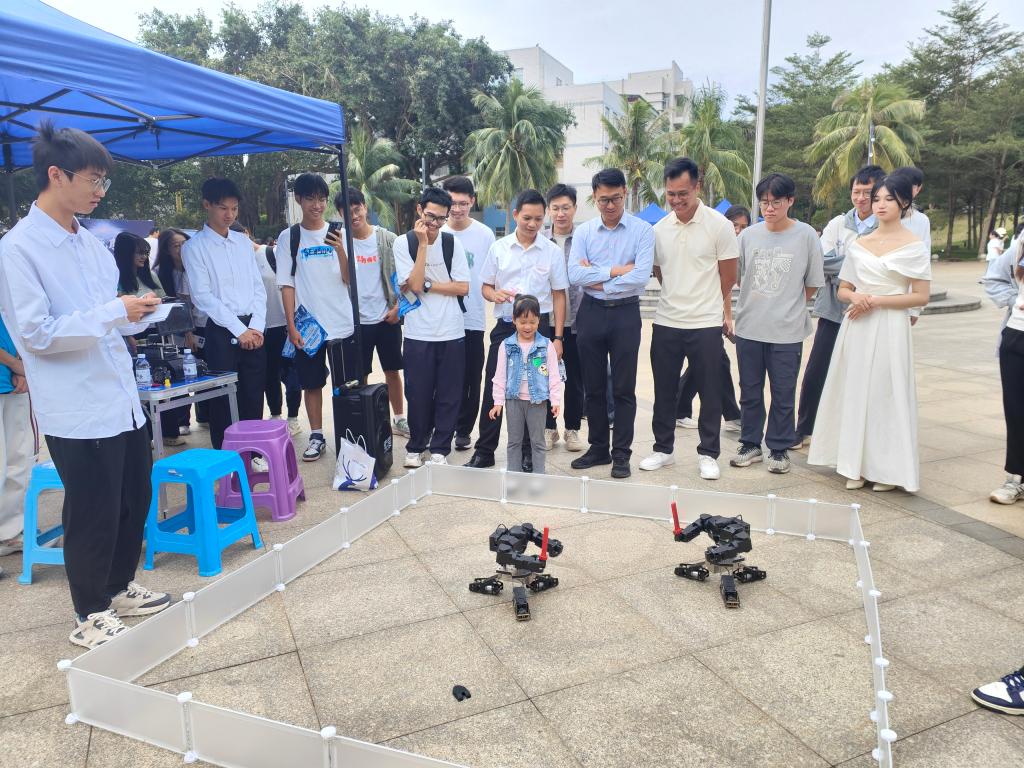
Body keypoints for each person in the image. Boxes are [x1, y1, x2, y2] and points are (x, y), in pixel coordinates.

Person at [0, 122, 169, 647]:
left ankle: (118, 586)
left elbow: (108, 316)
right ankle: (89, 612)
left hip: (119, 395)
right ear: (57, 174)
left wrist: (137, 314)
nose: (100, 191)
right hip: (76, 403)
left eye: (103, 182)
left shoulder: (90, 244)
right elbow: (37, 334)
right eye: (94, 180)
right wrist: (114, 312)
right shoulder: (19, 248)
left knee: (133, 496)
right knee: (93, 508)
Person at [808, 174, 931, 491]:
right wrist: (856, 297)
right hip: (858, 325)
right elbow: (843, 289)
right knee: (855, 390)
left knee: (885, 393)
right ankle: (854, 464)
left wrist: (875, 301)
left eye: (888, 199)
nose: (880, 205)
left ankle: (887, 469)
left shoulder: (914, 246)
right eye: (877, 199)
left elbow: (920, 296)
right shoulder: (860, 244)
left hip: (890, 325)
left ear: (904, 202)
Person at [640, 158, 738, 481]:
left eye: (683, 193)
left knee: (710, 391)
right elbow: (659, 272)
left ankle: (708, 453)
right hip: (667, 320)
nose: (677, 200)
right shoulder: (659, 230)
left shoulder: (719, 225)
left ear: (698, 186)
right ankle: (663, 449)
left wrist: (708, 303)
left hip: (705, 322)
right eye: (671, 194)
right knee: (664, 389)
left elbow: (729, 277)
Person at [465, 189, 567, 472]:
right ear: (515, 215)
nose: (532, 224)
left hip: (539, 327)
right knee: (495, 385)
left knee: (534, 389)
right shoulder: (499, 248)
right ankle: (484, 450)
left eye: (538, 219)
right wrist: (494, 294)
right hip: (506, 327)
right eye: (526, 218)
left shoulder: (551, 252)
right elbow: (486, 286)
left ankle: (527, 453)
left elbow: (559, 295)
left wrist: (558, 338)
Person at [731, 173, 825, 475]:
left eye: (776, 202)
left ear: (790, 201)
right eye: (764, 203)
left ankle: (779, 447)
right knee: (750, 390)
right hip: (750, 326)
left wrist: (787, 303)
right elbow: (739, 277)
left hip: (787, 329)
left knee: (783, 391)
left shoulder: (806, 235)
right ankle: (750, 443)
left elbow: (812, 283)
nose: (769, 208)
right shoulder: (747, 236)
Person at [567, 169, 655, 479]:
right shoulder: (584, 232)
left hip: (625, 315)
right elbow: (575, 275)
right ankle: (598, 448)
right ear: (594, 197)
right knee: (592, 386)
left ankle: (621, 454)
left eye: (616, 198)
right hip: (590, 312)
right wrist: (616, 271)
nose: (610, 205)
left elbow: (640, 277)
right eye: (603, 199)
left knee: (623, 388)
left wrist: (598, 277)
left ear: (625, 193)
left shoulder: (642, 231)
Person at [795, 165, 886, 446]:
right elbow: (821, 261)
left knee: (861, 374)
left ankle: (852, 434)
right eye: (856, 191)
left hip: (868, 310)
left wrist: (845, 268)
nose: (861, 198)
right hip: (833, 308)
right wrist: (859, 266)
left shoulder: (886, 225)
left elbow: (883, 268)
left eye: (868, 192)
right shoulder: (838, 223)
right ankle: (804, 428)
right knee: (817, 370)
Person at [274, 173, 356, 462]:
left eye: (322, 199)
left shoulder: (340, 234)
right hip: (309, 327)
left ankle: (350, 433)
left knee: (346, 385)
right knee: (311, 384)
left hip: (342, 323)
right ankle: (317, 436)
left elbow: (348, 279)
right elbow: (287, 284)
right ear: (298, 199)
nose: (317, 205)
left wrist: (340, 250)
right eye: (310, 198)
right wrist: (290, 326)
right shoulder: (289, 237)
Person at [183, 177, 267, 451]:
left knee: (253, 393)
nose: (229, 215)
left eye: (234, 208)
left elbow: (258, 287)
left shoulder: (242, 242)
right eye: (223, 208)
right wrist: (239, 330)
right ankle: (225, 455)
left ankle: (253, 452)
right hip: (221, 329)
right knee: (222, 397)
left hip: (252, 326)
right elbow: (203, 296)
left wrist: (256, 327)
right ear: (207, 205)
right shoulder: (194, 247)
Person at [394, 187, 470, 467]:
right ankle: (416, 446)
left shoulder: (452, 244)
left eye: (440, 218)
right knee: (418, 394)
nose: (434, 223)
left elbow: (462, 287)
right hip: (418, 332)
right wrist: (423, 244)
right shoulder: (403, 243)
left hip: (451, 330)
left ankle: (440, 449)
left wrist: (428, 283)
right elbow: (413, 285)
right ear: (419, 210)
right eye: (430, 216)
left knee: (449, 395)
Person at [333, 187, 409, 438]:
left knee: (392, 371)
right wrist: (341, 250)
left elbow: (404, 278)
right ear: (340, 215)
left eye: (357, 210)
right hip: (357, 322)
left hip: (386, 318)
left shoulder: (387, 238)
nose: (354, 216)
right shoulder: (340, 240)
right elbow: (346, 279)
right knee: (360, 374)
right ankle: (365, 417)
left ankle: (399, 419)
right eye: (347, 213)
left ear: (365, 207)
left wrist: (398, 308)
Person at [675, 203, 749, 434]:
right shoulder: (716, 239)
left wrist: (725, 316)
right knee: (714, 362)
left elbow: (725, 286)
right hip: (700, 313)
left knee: (714, 363)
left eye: (743, 226)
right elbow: (722, 284)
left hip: (711, 313)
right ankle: (728, 415)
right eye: (735, 225)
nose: (738, 230)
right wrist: (726, 317)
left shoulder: (736, 244)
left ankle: (685, 409)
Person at [442, 177, 495, 451]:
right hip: (442, 320)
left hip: (473, 319)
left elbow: (492, 275)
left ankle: (463, 430)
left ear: (472, 202)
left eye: (463, 203)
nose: (457, 209)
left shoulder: (485, 235)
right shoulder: (437, 231)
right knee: (445, 379)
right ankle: (443, 426)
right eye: (452, 203)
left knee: (472, 378)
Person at [489, 294, 563, 475]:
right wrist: (498, 402)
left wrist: (555, 400)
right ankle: (513, 478)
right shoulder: (506, 345)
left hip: (538, 401)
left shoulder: (546, 345)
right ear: (514, 320)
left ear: (539, 320)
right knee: (514, 441)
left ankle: (539, 478)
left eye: (532, 322)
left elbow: (554, 376)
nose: (528, 326)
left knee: (538, 442)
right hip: (513, 400)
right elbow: (499, 376)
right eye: (523, 322)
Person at [544, 183, 585, 452]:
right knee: (545, 377)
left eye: (566, 208)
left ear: (575, 208)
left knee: (576, 380)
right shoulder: (541, 240)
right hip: (545, 323)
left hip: (579, 322)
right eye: (556, 208)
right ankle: (549, 428)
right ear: (549, 210)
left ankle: (572, 429)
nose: (561, 214)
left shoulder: (584, 239)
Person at [248, 225, 300, 433]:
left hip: (286, 325)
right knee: (269, 375)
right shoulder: (240, 262)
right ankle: (276, 414)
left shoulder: (270, 253)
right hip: (261, 327)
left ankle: (293, 418)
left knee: (292, 375)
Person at [988, 240, 1024, 504]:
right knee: (1016, 412)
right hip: (1017, 334)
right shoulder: (1022, 241)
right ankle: (1016, 478)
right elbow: (994, 277)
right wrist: (1015, 300)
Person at [0, 312, 34, 557]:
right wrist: (15, 364)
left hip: (14, 381)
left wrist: (22, 366)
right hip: (12, 369)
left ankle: (9, 532)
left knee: (19, 459)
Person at [114, 232, 165, 298]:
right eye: (140, 253)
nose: (144, 257)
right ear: (126, 253)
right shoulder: (115, 279)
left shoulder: (152, 276)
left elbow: (163, 300)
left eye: (146, 253)